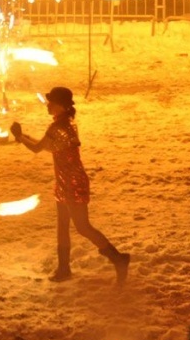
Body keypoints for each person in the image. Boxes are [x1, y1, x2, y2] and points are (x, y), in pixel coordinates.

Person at [10, 87, 130, 285]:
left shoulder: (57, 127)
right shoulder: (66, 124)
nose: (47, 105)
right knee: (63, 225)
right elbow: (47, 146)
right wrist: (23, 135)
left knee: (83, 227)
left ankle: (119, 259)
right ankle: (64, 268)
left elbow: (37, 148)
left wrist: (20, 136)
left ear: (59, 105)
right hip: (66, 180)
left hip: (72, 182)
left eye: (50, 102)